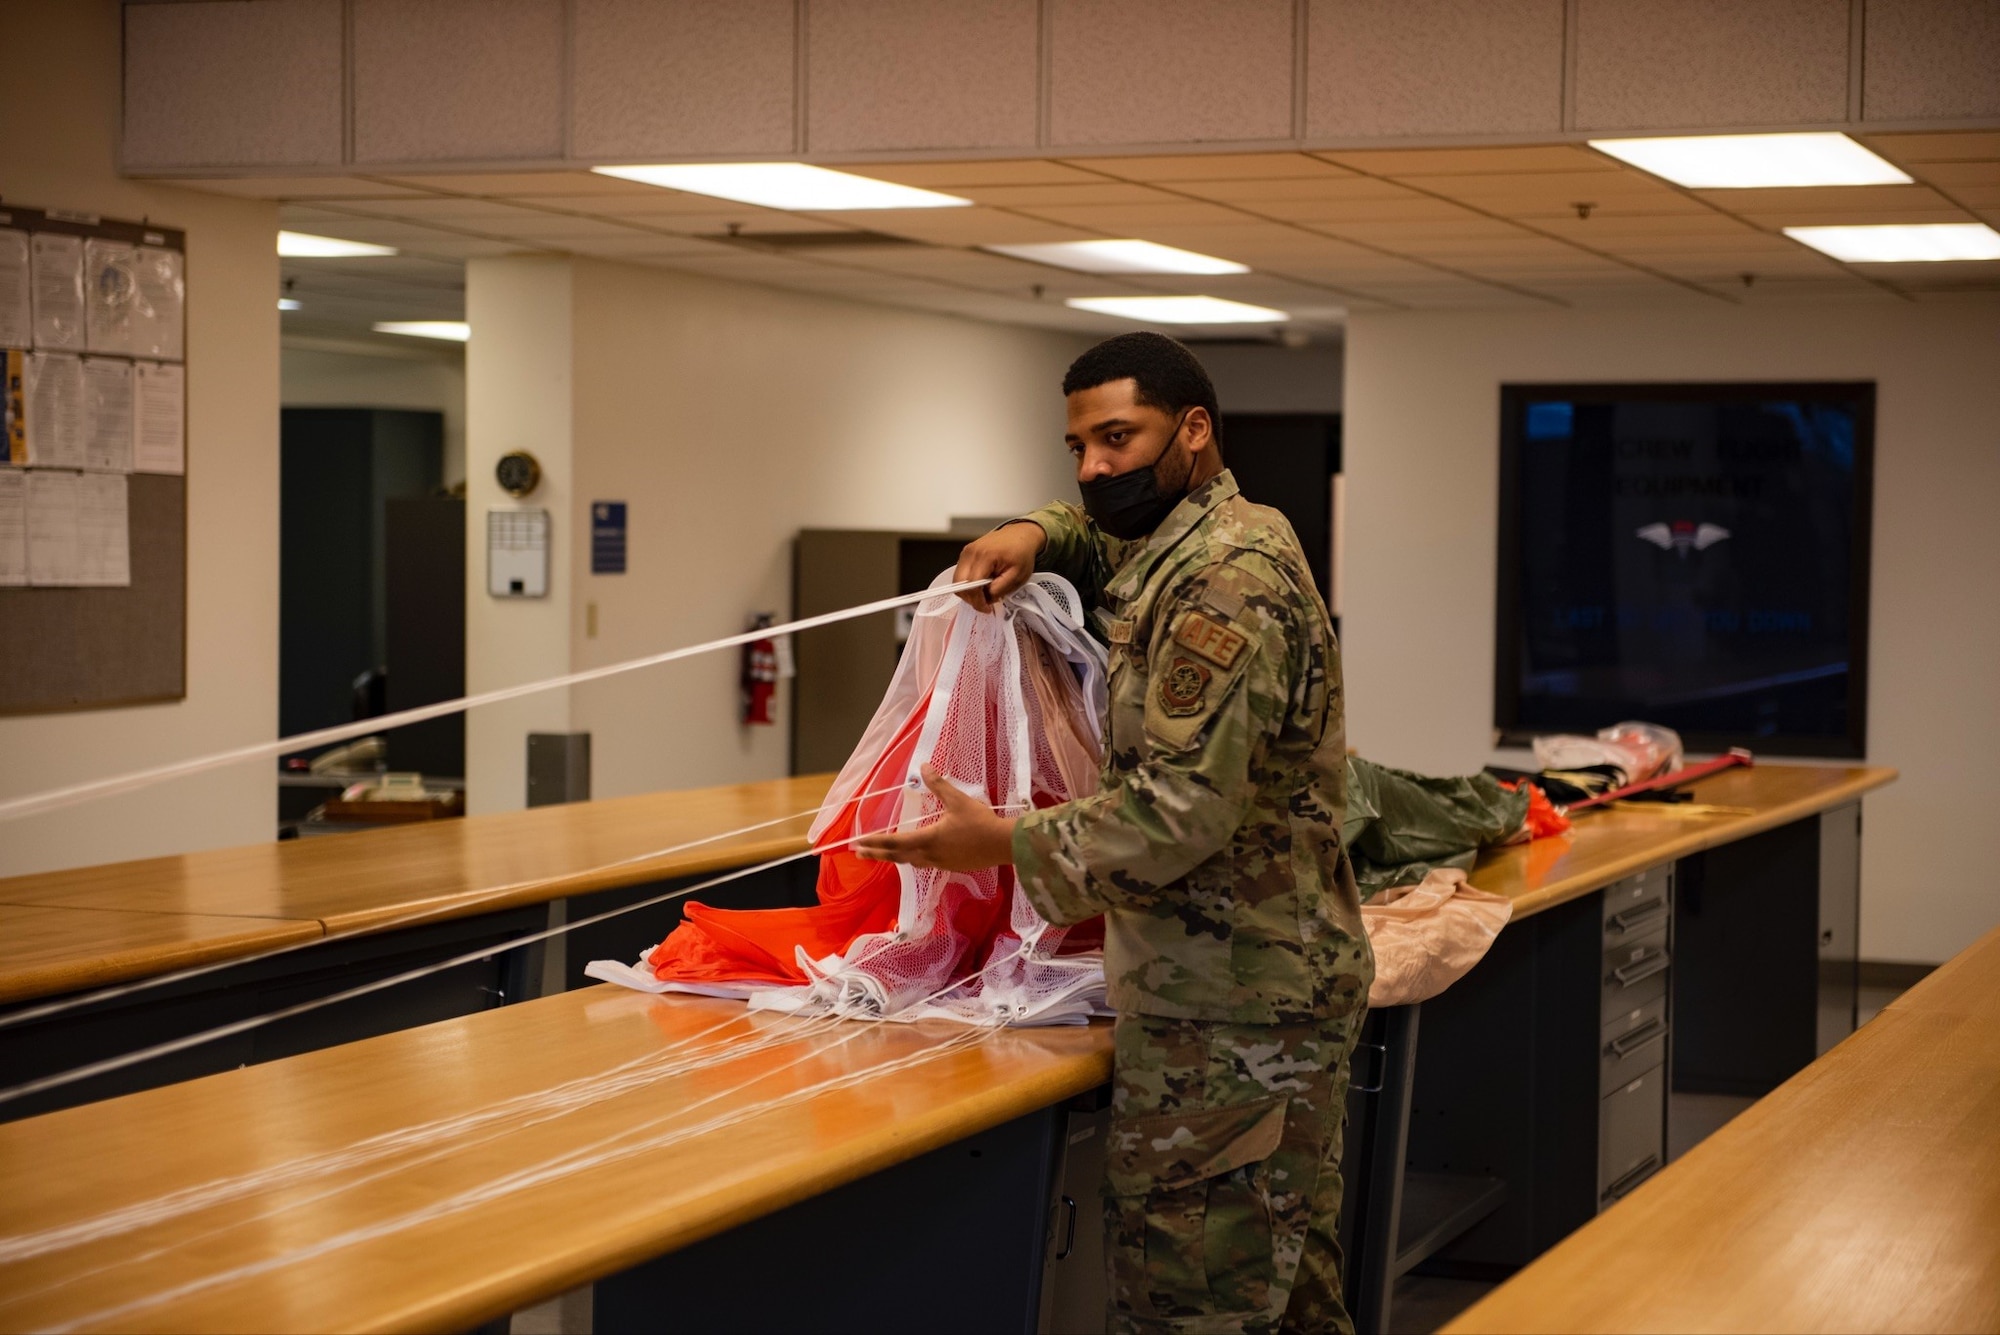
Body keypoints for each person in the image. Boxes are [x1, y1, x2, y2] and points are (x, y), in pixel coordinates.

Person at [856, 332, 1373, 1334]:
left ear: (1193, 431)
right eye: (1076, 450)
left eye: (1116, 439)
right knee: (1285, 1294)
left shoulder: (1223, 581)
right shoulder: (1202, 537)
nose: (1095, 470)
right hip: (1248, 989)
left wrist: (1002, 842)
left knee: (1193, 1303)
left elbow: (1181, 810)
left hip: (1229, 1011)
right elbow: (1104, 543)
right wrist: (1035, 531)